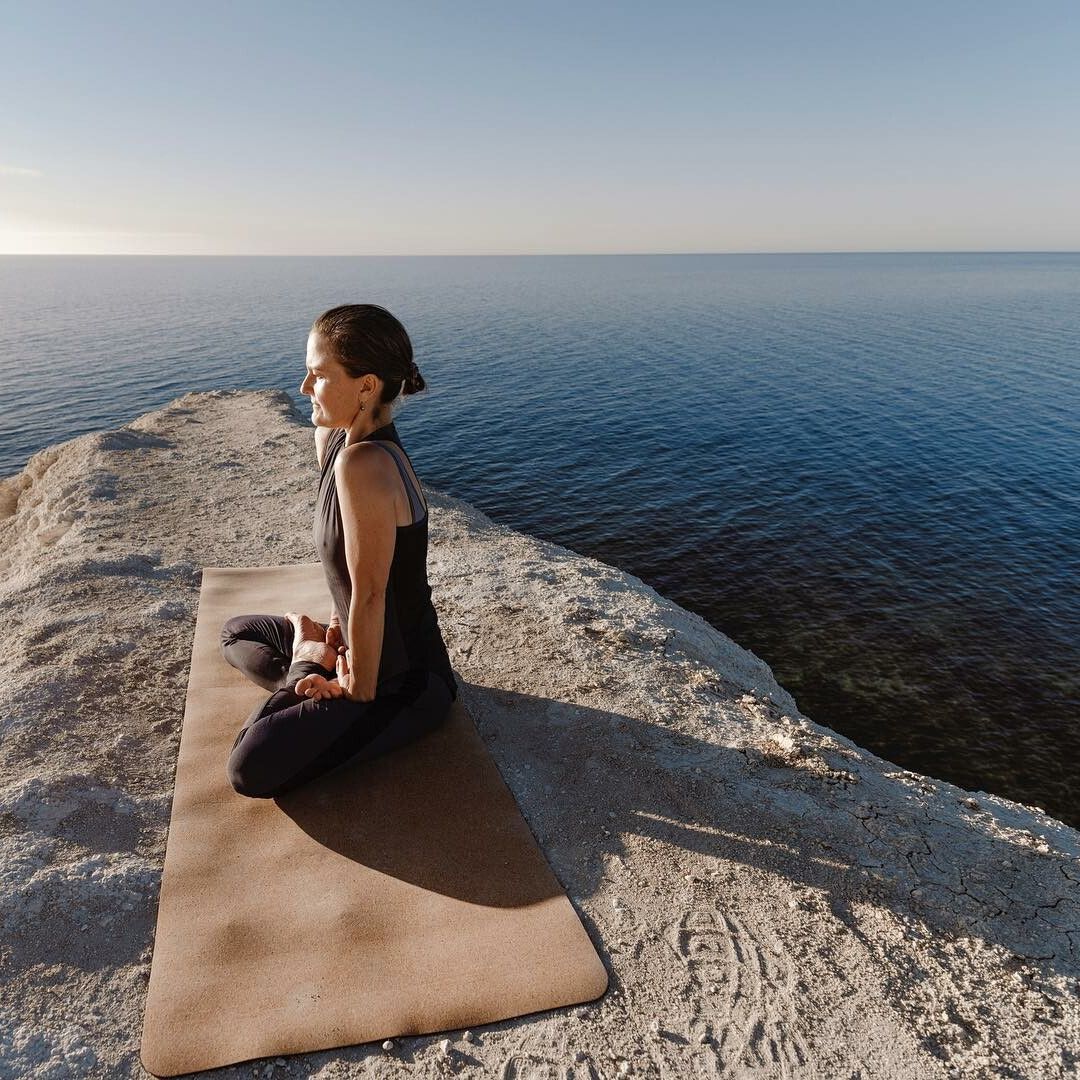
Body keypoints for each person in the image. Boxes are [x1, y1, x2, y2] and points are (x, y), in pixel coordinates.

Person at [219, 303, 458, 798]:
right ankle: (314, 657)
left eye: (319, 375)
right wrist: (334, 628)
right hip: (352, 644)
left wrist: (351, 691)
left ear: (367, 386)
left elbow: (371, 595)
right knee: (237, 633)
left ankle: (307, 665)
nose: (305, 388)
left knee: (249, 767)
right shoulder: (335, 443)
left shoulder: (367, 466)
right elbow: (346, 571)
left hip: (398, 682)